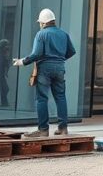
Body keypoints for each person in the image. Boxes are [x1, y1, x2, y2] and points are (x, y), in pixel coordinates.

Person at [14, 8, 76, 138]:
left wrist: (22, 62)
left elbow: (36, 54)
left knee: (42, 98)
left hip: (45, 69)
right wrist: (59, 60)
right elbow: (71, 51)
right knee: (60, 97)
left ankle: (43, 130)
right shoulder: (63, 34)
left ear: (43, 23)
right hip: (60, 68)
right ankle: (63, 129)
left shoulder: (41, 34)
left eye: (40, 23)